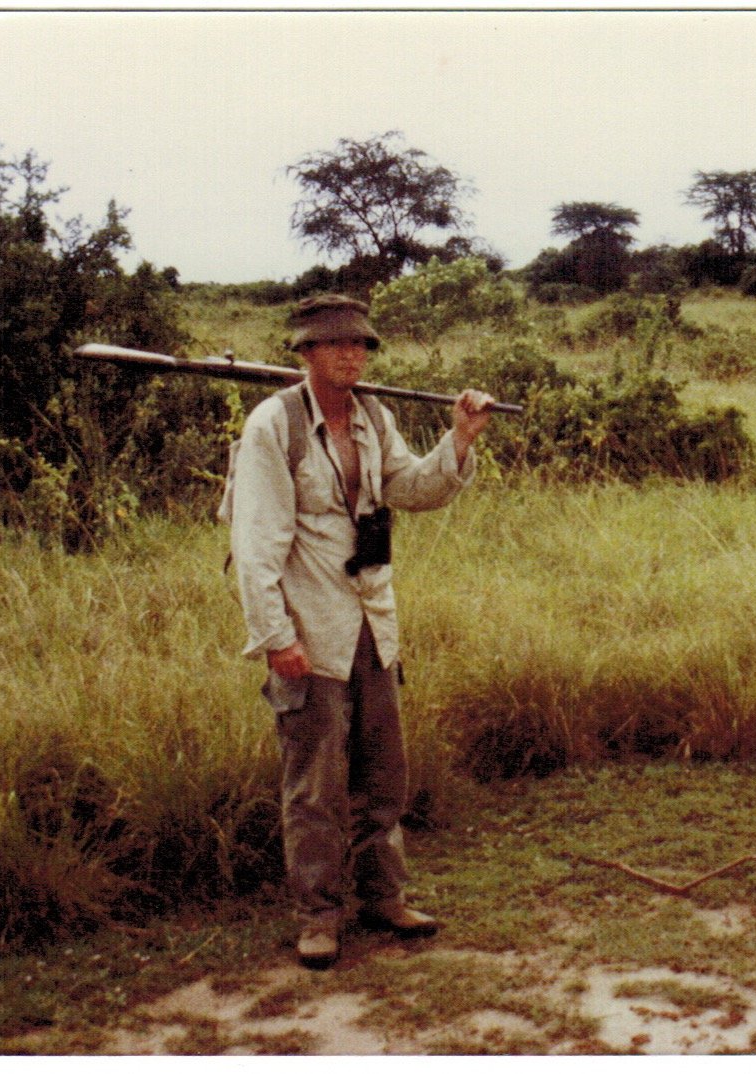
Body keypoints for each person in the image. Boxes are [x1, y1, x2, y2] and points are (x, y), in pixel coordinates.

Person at [227, 294, 496, 970]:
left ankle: (384, 895)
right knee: (315, 783)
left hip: (373, 622)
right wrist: (275, 636)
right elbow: (256, 544)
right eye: (336, 344)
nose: (352, 354)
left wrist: (458, 439)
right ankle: (318, 916)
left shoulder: (375, 415)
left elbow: (410, 488)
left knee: (382, 773)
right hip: (310, 629)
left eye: (362, 344)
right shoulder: (274, 426)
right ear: (306, 353)